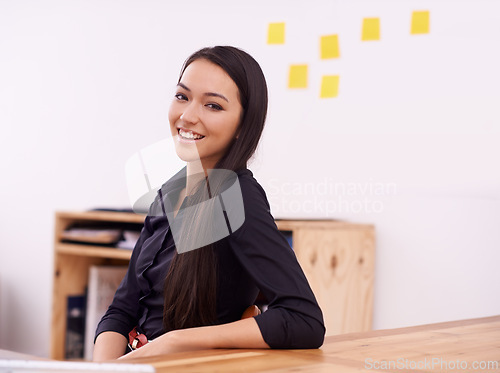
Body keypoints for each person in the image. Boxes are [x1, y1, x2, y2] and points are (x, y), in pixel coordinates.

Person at [93, 46, 325, 361]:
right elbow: (121, 310)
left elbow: (304, 319)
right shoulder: (168, 193)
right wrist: (106, 370)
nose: (187, 116)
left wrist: (176, 342)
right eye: (182, 96)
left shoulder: (238, 196)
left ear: (243, 125)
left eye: (213, 105)